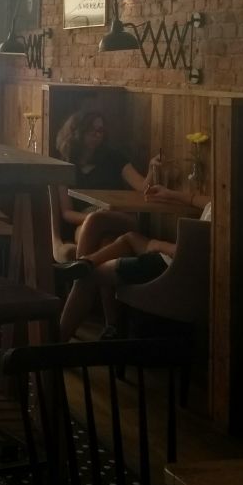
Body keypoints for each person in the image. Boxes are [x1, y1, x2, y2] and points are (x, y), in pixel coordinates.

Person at [58, 184, 212, 341]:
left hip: (169, 267)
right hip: (176, 260)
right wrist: (168, 193)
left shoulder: (221, 218)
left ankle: (58, 342)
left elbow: (192, 250)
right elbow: (194, 199)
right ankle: (85, 262)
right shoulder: (218, 205)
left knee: (87, 277)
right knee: (129, 238)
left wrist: (159, 245)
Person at [54, 109, 159, 257]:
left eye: (100, 131)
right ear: (77, 131)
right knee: (103, 241)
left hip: (119, 215)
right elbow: (67, 213)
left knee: (97, 224)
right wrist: (92, 218)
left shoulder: (114, 158)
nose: (97, 135)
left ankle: (78, 270)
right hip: (85, 220)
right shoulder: (65, 166)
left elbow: (143, 187)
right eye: (91, 130)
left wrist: (152, 169)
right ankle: (90, 268)